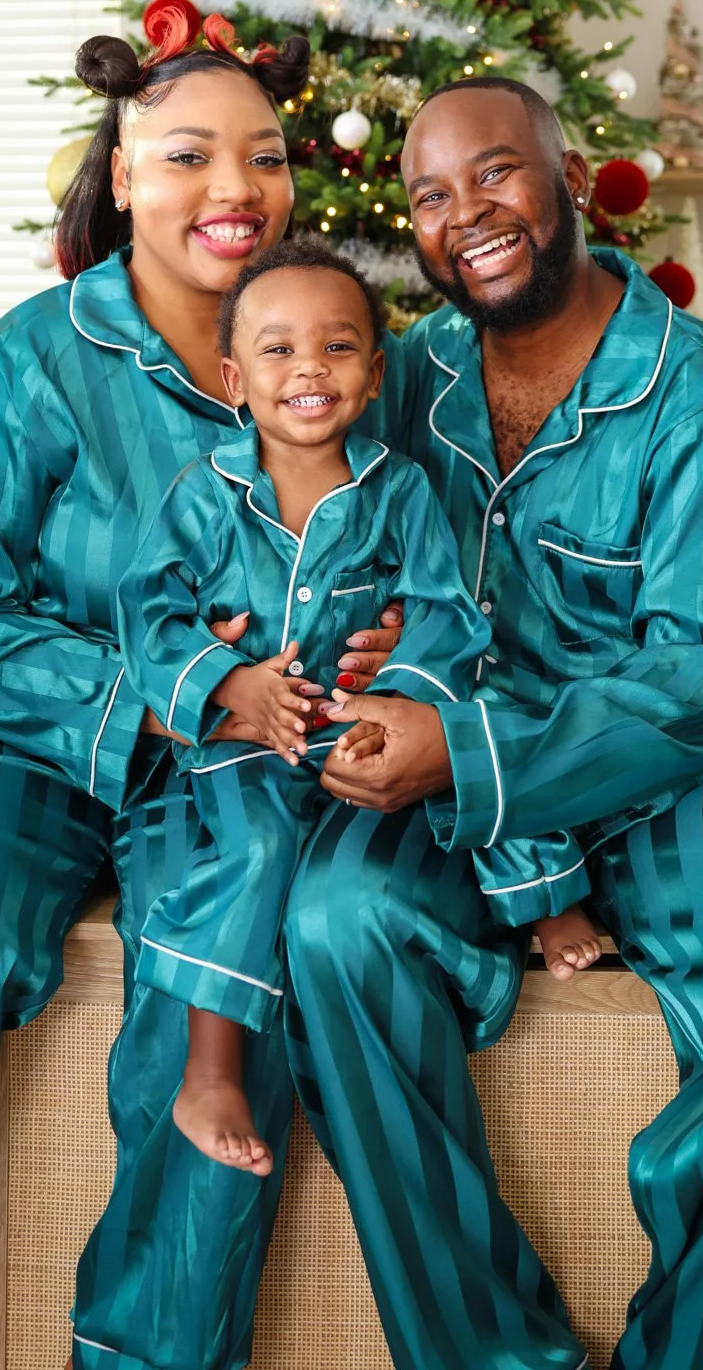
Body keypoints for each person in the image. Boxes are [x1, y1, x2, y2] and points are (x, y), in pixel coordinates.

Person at [282, 77, 703, 1370]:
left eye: (496, 174)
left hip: (699, 780)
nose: (467, 216)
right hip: (470, 777)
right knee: (335, 926)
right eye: (431, 197)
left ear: (570, 179)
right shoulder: (405, 379)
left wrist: (466, 749)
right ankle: (488, 1353)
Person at [0, 1, 396, 1370]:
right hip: (21, 734)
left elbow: (387, 551)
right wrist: (176, 691)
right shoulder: (29, 358)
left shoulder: (336, 356)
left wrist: (367, 654)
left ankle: (148, 1354)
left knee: (220, 991)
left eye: (263, 157)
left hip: (235, 760)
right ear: (122, 170)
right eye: (190, 156)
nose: (235, 190)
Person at [116, 239, 599, 1176]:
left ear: (375, 375)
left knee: (468, 755)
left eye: (338, 349)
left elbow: (443, 612)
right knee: (253, 851)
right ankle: (209, 1069)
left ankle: (548, 906)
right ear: (234, 377)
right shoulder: (203, 495)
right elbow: (148, 616)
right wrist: (228, 685)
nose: (309, 369)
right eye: (278, 350)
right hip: (250, 740)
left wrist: (400, 698)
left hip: (362, 718)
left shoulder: (398, 490)